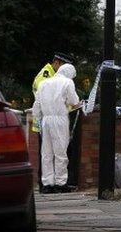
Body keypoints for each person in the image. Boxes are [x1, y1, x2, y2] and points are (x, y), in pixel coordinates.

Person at [32, 63, 79, 194]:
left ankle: (47, 184)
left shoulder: (44, 83)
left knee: (46, 152)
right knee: (60, 151)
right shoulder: (68, 82)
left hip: (45, 120)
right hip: (60, 119)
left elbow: (37, 105)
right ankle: (61, 182)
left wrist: (38, 121)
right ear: (70, 73)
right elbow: (73, 101)